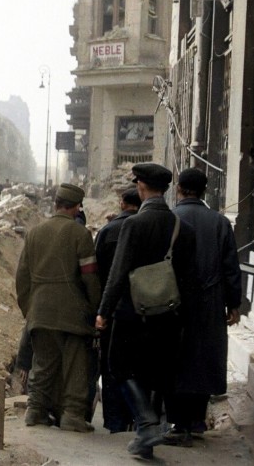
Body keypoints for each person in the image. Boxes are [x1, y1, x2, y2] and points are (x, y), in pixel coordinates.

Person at [95, 163, 197, 459]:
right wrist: (185, 317)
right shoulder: (183, 229)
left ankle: (147, 423)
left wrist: (104, 310)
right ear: (165, 189)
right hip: (168, 314)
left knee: (120, 367)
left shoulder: (133, 225)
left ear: (140, 188)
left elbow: (118, 273)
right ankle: (145, 436)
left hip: (131, 314)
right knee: (158, 373)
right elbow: (189, 279)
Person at [164, 168, 242, 446]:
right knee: (202, 359)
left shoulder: (170, 218)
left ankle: (176, 421)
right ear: (204, 192)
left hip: (173, 303)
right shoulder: (220, 222)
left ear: (179, 189)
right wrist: (235, 304)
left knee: (175, 359)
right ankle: (196, 420)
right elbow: (231, 267)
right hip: (209, 304)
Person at [15, 183, 101, 433]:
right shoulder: (80, 235)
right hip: (72, 313)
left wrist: (30, 310)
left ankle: (35, 411)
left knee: (43, 363)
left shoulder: (34, 233)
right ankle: (72, 415)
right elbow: (90, 277)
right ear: (76, 207)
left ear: (55, 204)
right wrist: (95, 309)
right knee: (76, 364)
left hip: (40, 312)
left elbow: (22, 278)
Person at [93, 188, 141, 434]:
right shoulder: (146, 228)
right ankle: (137, 418)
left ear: (121, 203)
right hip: (144, 310)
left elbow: (98, 274)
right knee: (138, 365)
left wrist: (100, 310)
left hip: (112, 311)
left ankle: (114, 421)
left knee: (111, 366)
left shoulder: (107, 232)